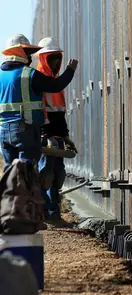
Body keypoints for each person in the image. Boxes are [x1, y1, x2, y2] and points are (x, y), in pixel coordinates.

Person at [0, 34, 78, 172]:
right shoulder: (29, 74)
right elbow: (55, 86)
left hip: (4, 131)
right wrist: (70, 70)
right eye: (28, 52)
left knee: (10, 173)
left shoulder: (1, 75)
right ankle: (29, 193)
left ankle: (11, 193)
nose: (30, 57)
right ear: (20, 52)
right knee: (27, 171)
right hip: (24, 131)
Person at [35, 37, 77, 220]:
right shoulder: (39, 79)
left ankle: (53, 211)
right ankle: (45, 211)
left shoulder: (54, 81)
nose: (56, 61)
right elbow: (41, 112)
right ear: (43, 58)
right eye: (52, 58)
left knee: (57, 175)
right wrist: (44, 136)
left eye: (58, 57)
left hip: (57, 137)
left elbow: (58, 113)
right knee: (46, 173)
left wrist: (66, 137)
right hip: (46, 136)